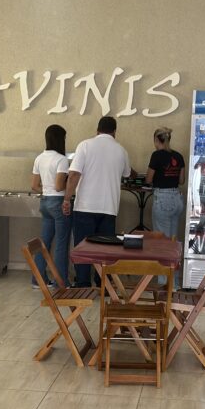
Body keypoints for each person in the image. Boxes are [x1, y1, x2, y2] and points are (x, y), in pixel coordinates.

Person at [63, 116, 134, 287]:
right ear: (115, 132)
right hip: (109, 208)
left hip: (85, 206)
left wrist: (67, 199)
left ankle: (83, 284)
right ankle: (103, 284)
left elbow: (74, 174)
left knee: (83, 247)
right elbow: (127, 174)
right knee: (105, 250)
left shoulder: (85, 145)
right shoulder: (121, 150)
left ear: (97, 130)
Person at [30, 124, 72, 288]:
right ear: (61, 139)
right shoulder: (61, 160)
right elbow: (59, 186)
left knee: (44, 242)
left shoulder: (39, 158)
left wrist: (46, 189)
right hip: (59, 203)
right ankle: (61, 282)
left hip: (45, 201)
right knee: (61, 243)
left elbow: (34, 185)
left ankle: (38, 280)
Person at [146, 127, 186, 239]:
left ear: (156, 140)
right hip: (177, 199)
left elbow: (148, 179)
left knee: (161, 239)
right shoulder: (179, 156)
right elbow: (181, 181)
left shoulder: (156, 155)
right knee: (172, 238)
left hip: (163, 200)